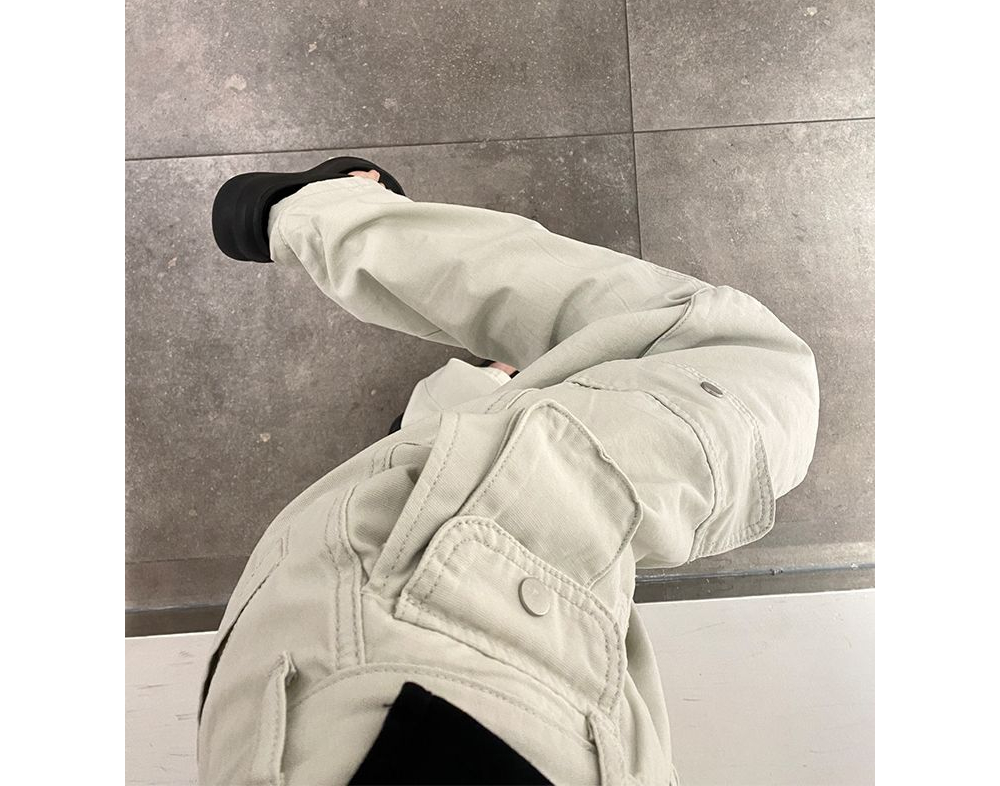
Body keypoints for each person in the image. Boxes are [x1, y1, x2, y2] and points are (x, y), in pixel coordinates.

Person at [199, 155, 820, 785]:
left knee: (756, 373)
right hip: (282, 725)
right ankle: (451, 428)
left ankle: (327, 213)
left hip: (406, 689)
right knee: (565, 555)